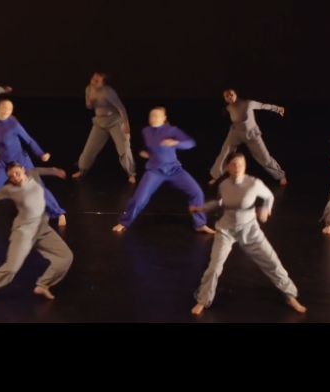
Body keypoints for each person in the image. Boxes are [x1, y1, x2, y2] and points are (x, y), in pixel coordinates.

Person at [191, 153, 306, 315]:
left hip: (249, 230)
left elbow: (268, 196)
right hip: (226, 230)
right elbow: (220, 202)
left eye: (241, 164)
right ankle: (203, 299)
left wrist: (266, 208)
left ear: (245, 167)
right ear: (227, 167)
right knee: (214, 267)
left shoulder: (253, 183)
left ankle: (290, 295)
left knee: (272, 262)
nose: (237, 168)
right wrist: (201, 208)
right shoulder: (224, 185)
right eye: (234, 164)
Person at [0, 162, 73, 305]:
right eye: (11, 177)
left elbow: (38, 169)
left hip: (42, 228)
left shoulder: (32, 175)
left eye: (17, 173)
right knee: (12, 268)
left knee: (65, 256)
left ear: (23, 170)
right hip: (24, 232)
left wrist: (55, 170)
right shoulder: (10, 189)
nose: (15, 178)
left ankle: (43, 285)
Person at [113, 107, 215, 234]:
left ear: (164, 118)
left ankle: (200, 224)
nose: (153, 118)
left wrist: (176, 142)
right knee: (139, 198)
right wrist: (147, 153)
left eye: (156, 116)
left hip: (174, 170)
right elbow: (151, 147)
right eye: (151, 116)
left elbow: (190, 143)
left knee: (197, 193)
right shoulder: (146, 131)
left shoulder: (171, 130)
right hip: (154, 171)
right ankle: (124, 222)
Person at [0, 100, 67, 227]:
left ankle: (58, 213)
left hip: (20, 161)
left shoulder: (14, 125)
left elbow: (29, 140)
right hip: (2, 162)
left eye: (10, 109)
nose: (7, 110)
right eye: (4, 107)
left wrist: (41, 154)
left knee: (38, 187)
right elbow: (1, 143)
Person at [210, 89, 287, 186]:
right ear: (225, 99)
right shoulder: (228, 108)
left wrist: (277, 108)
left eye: (231, 94)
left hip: (252, 134)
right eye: (227, 96)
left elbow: (263, 106)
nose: (230, 97)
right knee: (224, 153)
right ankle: (215, 176)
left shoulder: (248, 103)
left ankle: (280, 175)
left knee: (264, 157)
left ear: (236, 94)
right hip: (236, 133)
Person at [73, 72, 137, 183]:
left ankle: (131, 173)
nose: (93, 82)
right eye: (93, 79)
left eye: (97, 81)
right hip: (100, 122)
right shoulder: (88, 89)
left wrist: (126, 124)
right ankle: (82, 170)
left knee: (124, 148)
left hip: (114, 121)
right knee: (89, 149)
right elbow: (89, 107)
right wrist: (89, 103)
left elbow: (121, 108)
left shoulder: (108, 92)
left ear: (103, 83)